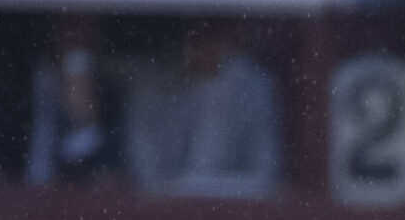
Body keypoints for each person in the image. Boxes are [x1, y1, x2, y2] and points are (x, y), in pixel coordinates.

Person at [124, 22, 280, 199]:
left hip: (231, 214)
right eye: (196, 37)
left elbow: (264, 175)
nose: (205, 47)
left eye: (214, 35)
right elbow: (145, 176)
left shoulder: (251, 88)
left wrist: (217, 96)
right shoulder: (152, 86)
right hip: (160, 212)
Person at [26, 18, 123, 186]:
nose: (75, 94)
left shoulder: (112, 147)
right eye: (70, 84)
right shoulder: (47, 133)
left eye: (82, 84)